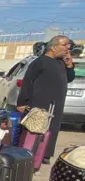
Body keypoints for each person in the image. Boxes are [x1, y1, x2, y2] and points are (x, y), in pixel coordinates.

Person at [17, 35, 75, 164]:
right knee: (35, 127)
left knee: (51, 129)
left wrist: (70, 65)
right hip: (39, 101)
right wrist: (22, 102)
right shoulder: (40, 62)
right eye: (64, 45)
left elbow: (69, 78)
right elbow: (28, 82)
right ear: (53, 47)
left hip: (56, 104)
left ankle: (45, 154)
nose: (67, 48)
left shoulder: (61, 63)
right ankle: (29, 152)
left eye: (68, 46)